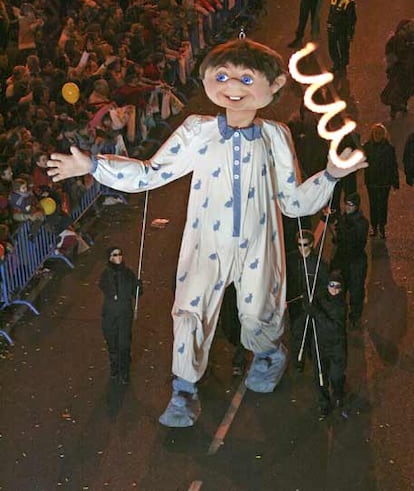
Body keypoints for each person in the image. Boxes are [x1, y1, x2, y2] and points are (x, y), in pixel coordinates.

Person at [47, 38, 366, 428]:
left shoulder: (276, 136)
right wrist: (96, 167)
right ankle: (183, 390)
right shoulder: (197, 130)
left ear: (276, 85)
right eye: (222, 75)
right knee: (189, 312)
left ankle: (267, 355)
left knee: (259, 310)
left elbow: (294, 203)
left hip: (258, 244)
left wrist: (331, 175)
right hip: (205, 243)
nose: (233, 85)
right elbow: (152, 173)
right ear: (207, 80)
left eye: (247, 78)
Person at [286, 229, 329, 372]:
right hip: (296, 306)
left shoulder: (319, 265)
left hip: (312, 306)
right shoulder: (291, 260)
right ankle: (298, 361)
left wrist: (315, 300)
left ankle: (314, 360)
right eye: (299, 245)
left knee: (312, 335)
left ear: (311, 244)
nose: (302, 248)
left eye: (305, 245)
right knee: (297, 334)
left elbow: (325, 286)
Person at [308, 270, 347, 418]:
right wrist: (308, 302)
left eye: (338, 286)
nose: (334, 289)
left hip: (336, 347)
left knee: (336, 375)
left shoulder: (341, 306)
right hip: (320, 345)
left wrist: (316, 313)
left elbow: (334, 327)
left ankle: (338, 393)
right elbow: (310, 298)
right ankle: (324, 404)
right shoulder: (320, 297)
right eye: (332, 285)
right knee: (320, 377)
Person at [98, 246, 141, 384]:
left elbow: (137, 293)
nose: (118, 257)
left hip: (124, 314)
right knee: (112, 343)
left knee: (124, 344)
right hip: (110, 314)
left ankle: (124, 372)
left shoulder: (128, 273)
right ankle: (115, 368)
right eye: (115, 254)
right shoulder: (106, 275)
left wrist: (138, 286)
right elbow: (105, 287)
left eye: (120, 254)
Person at [330, 192, 368, 328]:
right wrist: (334, 231)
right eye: (346, 204)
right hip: (342, 259)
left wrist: (341, 230)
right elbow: (337, 240)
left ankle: (355, 317)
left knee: (356, 291)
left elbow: (357, 242)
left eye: (351, 205)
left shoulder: (361, 222)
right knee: (339, 289)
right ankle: (340, 316)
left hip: (356, 262)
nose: (347, 207)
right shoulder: (342, 219)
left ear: (356, 206)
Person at [363, 123, 399, 239]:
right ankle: (374, 226)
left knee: (383, 205)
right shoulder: (367, 147)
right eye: (376, 133)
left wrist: (395, 182)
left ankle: (382, 226)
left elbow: (393, 165)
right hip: (372, 182)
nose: (377, 135)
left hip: (384, 182)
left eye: (380, 133)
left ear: (384, 135)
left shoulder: (389, 149)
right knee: (373, 205)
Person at [380, 19, 414, 119]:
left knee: (398, 89)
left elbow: (390, 54)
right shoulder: (401, 40)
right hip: (406, 70)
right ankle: (399, 106)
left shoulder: (395, 39)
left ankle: (396, 108)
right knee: (403, 89)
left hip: (401, 70)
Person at [326, 0, 356, 76]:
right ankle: (336, 64)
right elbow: (331, 11)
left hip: (343, 30)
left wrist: (350, 33)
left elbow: (352, 19)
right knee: (332, 48)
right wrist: (329, 22)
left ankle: (342, 67)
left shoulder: (349, 2)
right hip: (333, 28)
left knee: (343, 49)